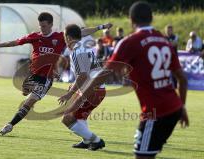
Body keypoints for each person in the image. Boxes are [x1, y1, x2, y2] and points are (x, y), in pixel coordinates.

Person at [64, 2, 189, 159]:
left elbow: (103, 75)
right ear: (152, 18)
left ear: (131, 20)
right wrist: (182, 108)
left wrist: (76, 101)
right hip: (175, 108)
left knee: (142, 155)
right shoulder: (164, 40)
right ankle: (88, 140)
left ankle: (93, 140)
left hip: (155, 112)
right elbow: (182, 79)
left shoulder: (130, 42)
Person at [0, 12, 112, 136]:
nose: (42, 29)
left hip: (45, 79)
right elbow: (14, 42)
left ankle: (10, 124)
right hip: (33, 75)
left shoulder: (60, 37)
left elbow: (82, 32)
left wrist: (101, 27)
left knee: (29, 102)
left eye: (44, 26)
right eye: (40, 26)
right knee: (25, 93)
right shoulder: (34, 36)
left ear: (51, 25)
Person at [58, 24, 106, 151]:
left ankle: (96, 141)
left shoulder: (77, 51)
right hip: (97, 89)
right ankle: (86, 140)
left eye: (64, 37)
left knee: (67, 118)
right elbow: (84, 74)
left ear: (68, 37)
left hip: (92, 90)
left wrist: (70, 93)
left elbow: (83, 76)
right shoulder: (84, 46)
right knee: (79, 116)